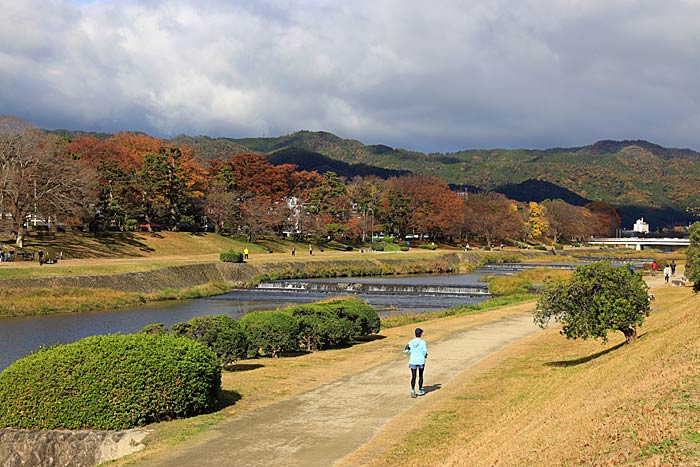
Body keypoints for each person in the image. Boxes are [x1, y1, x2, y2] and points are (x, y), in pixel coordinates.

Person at [403, 327, 428, 398]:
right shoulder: (423, 342)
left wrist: (411, 352)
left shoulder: (410, 342)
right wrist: (424, 356)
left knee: (413, 376)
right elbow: (424, 352)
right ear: (420, 334)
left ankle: (413, 390)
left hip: (413, 361)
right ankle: (420, 390)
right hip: (420, 361)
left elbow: (405, 350)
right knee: (420, 375)